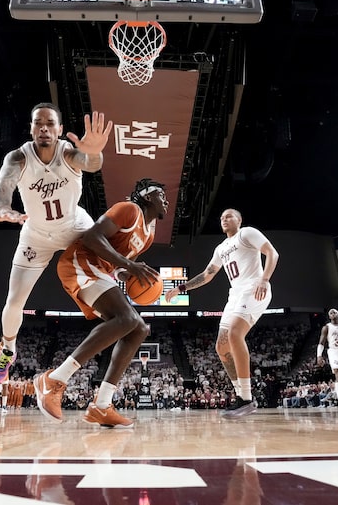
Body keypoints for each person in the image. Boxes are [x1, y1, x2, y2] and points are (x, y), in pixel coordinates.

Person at [0, 104, 112, 384]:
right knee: (14, 300)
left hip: (74, 228)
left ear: (59, 129)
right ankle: (8, 349)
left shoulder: (68, 152)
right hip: (36, 235)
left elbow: (91, 164)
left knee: (108, 251)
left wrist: (94, 151)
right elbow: (3, 187)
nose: (44, 127)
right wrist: (5, 208)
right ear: (32, 128)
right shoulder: (18, 157)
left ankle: (120, 287)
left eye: (50, 123)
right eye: (38, 123)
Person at [34, 178, 168, 428]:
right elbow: (93, 238)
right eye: (161, 194)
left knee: (139, 328)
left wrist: (124, 273)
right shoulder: (129, 210)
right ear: (148, 196)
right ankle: (53, 379)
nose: (166, 200)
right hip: (80, 261)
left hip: (100, 271)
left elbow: (117, 264)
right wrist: (129, 265)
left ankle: (102, 406)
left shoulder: (149, 235)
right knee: (127, 319)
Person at [164, 208, 278, 417]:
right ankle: (240, 396)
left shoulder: (247, 233)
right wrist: (181, 288)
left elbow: (272, 252)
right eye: (222, 217)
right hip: (235, 295)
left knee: (235, 333)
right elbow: (207, 275)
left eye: (229, 216)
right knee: (221, 346)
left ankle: (247, 399)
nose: (224, 219)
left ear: (239, 219)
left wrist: (265, 279)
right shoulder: (221, 248)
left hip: (253, 288)